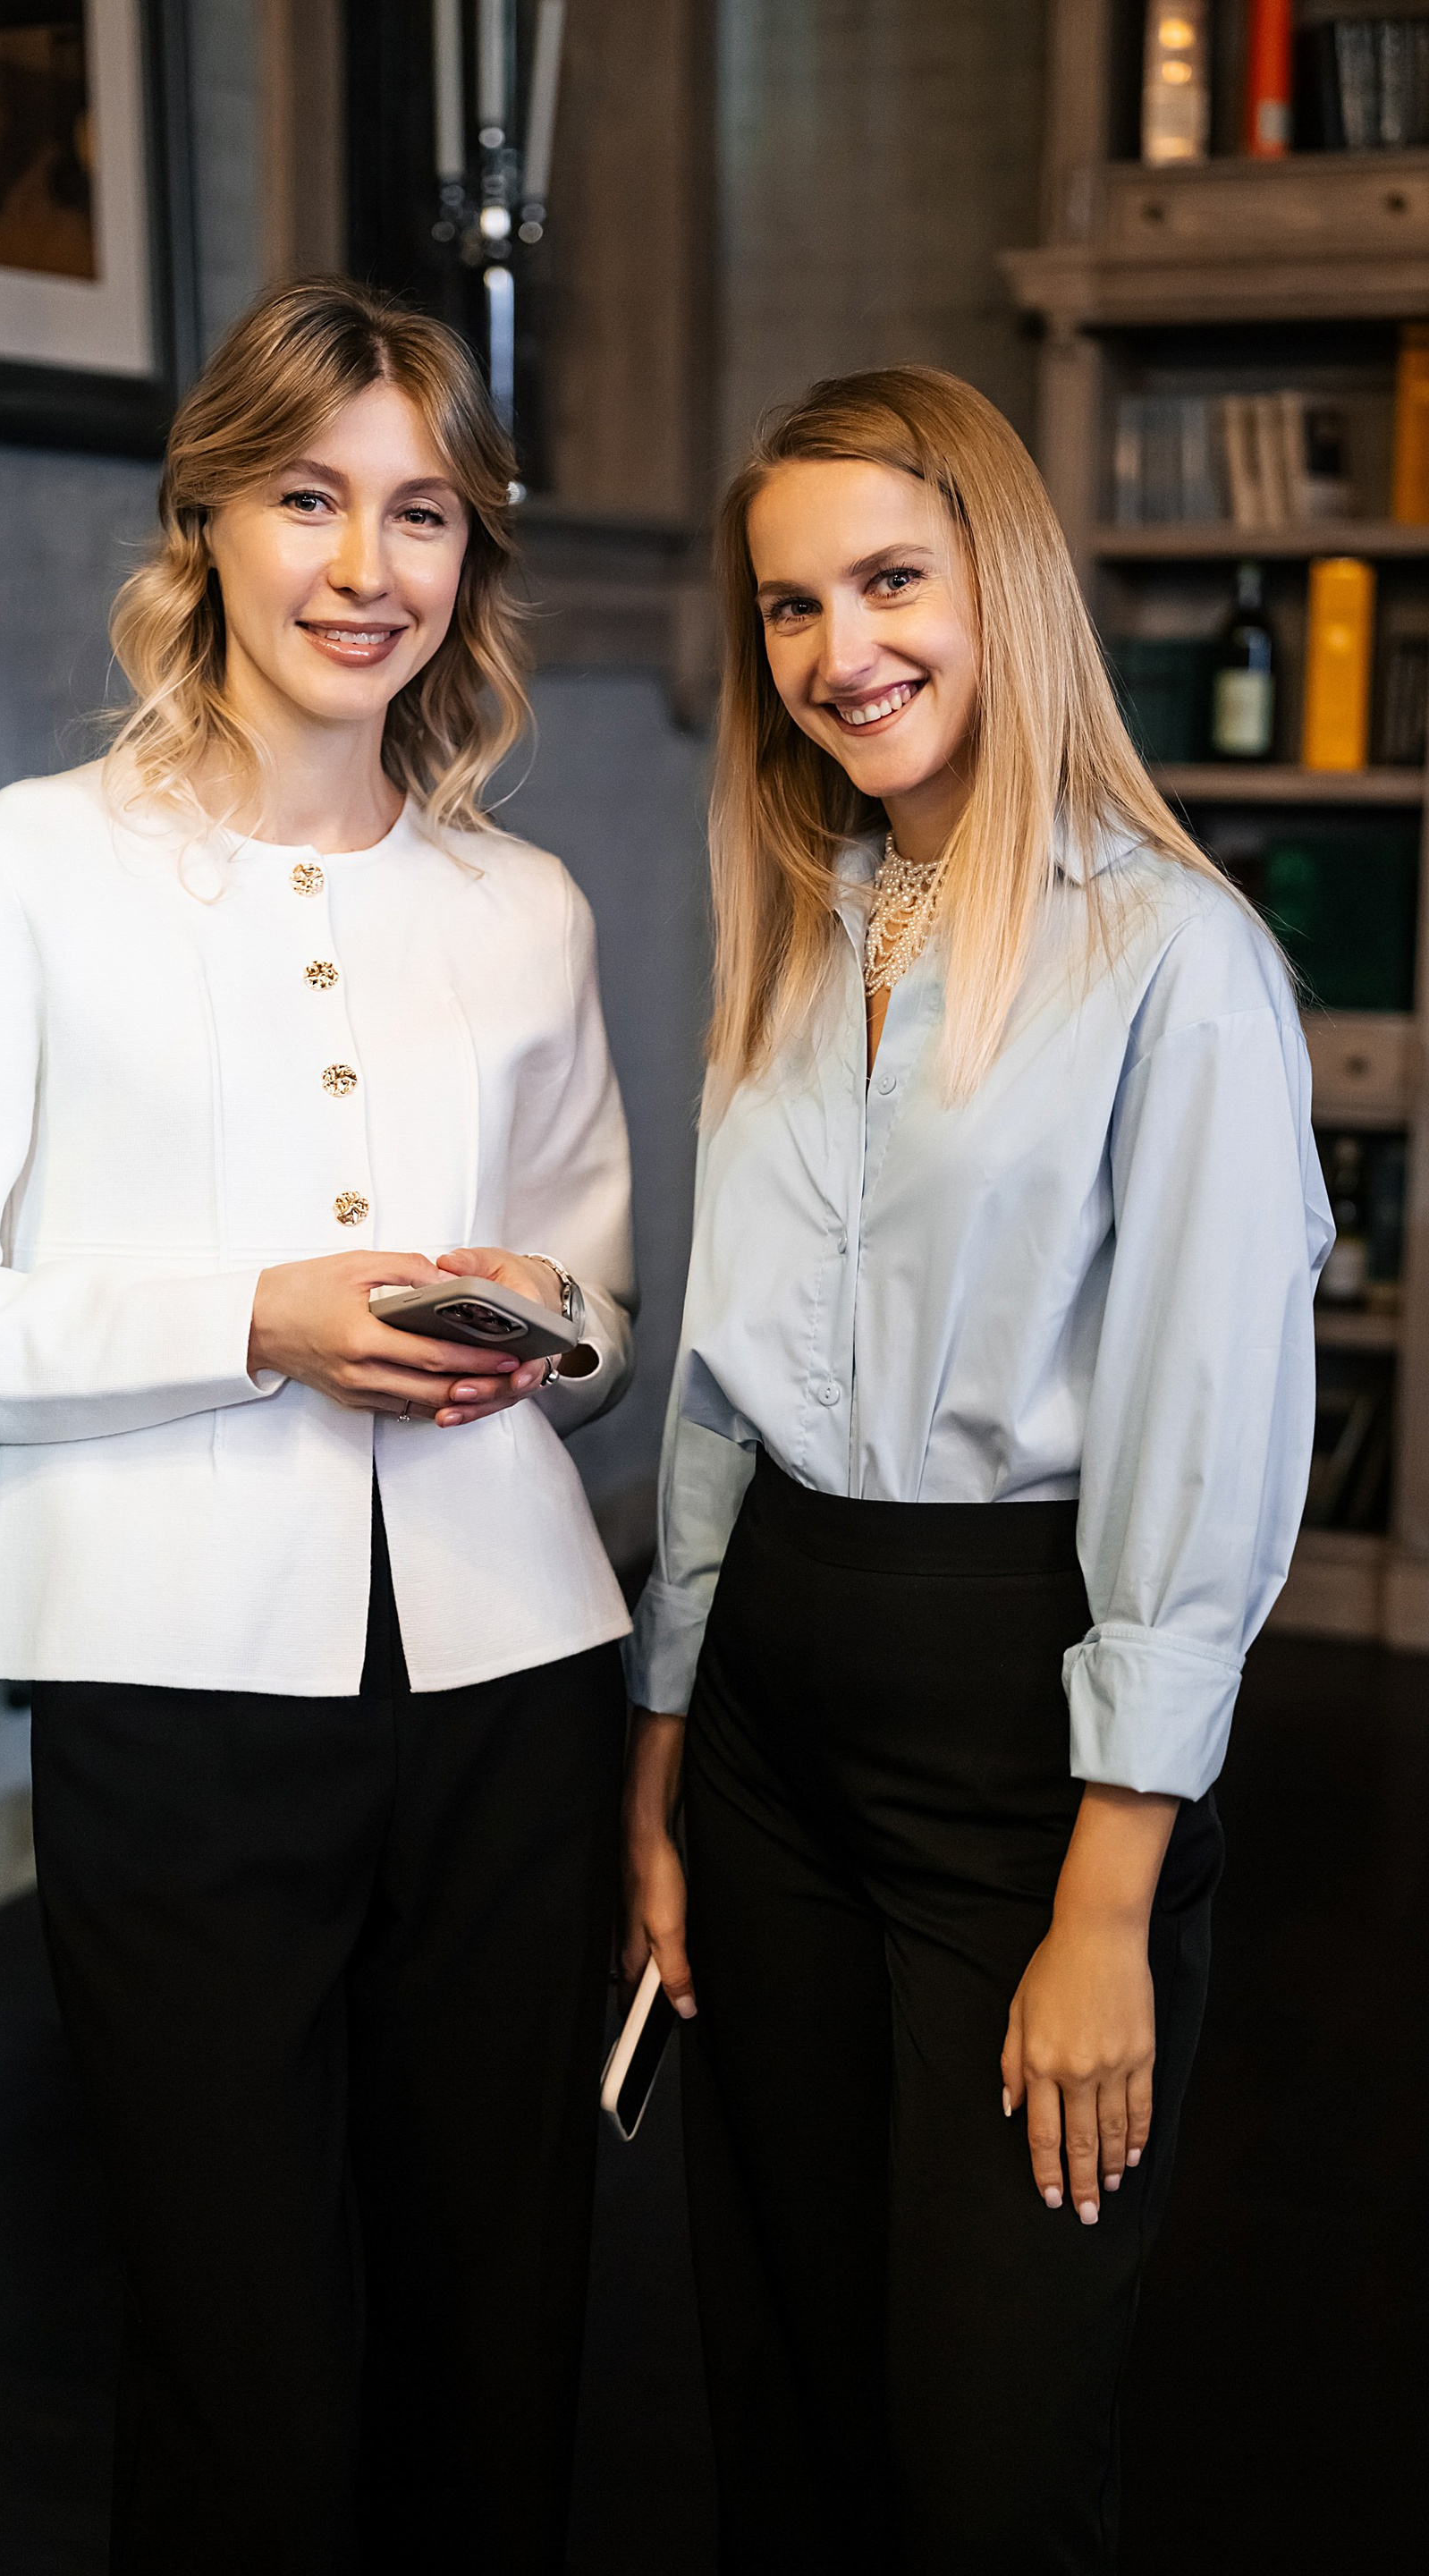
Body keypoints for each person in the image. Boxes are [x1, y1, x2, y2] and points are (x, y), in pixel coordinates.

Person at [0, 279, 637, 2575]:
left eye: (423, 513)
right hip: (172, 1706)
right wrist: (255, 1320)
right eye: (308, 499)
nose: (368, 568)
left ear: (470, 555)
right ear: (207, 520)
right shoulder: (30, 865)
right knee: (234, 2353)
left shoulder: (529, 907)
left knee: (502, 2320)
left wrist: (534, 1326)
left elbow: (600, 1295)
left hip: (513, 1685)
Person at [621, 368, 1331, 2572]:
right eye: (791, 606)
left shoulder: (1178, 961)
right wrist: (663, 1748)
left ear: (1001, 581)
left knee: (991, 2450)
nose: (841, 651)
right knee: (790, 2376)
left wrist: (1110, 1898)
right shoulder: (796, 928)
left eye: (890, 581)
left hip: (1026, 1730)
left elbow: (1206, 1427)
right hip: (768, 1711)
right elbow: (725, 1371)